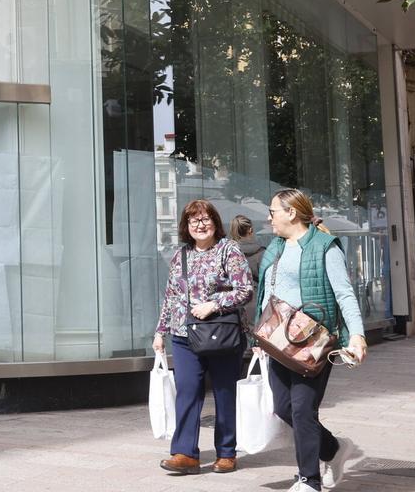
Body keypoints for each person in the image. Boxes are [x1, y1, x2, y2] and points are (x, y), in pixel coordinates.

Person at [256, 189, 367, 492]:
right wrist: (260, 334)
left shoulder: (324, 247)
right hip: (278, 343)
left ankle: (309, 480)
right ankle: (332, 449)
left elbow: (344, 293)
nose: (269, 217)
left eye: (273, 211)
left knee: (304, 409)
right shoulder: (275, 247)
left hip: (313, 344)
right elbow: (267, 292)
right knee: (283, 408)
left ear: (291, 213)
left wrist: (356, 335)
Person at [154, 200, 254, 476]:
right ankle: (185, 454)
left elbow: (245, 289)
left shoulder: (228, 250)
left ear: (215, 222)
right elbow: (170, 296)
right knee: (186, 390)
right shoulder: (180, 255)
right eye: (194, 220)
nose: (200, 224)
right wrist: (161, 331)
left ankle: (226, 453)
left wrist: (214, 304)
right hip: (185, 334)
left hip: (221, 332)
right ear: (186, 227)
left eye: (205, 219)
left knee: (224, 392)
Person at [230, 215, 264, 326]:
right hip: (256, 304)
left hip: (233, 306)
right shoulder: (262, 253)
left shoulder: (227, 253)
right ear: (250, 230)